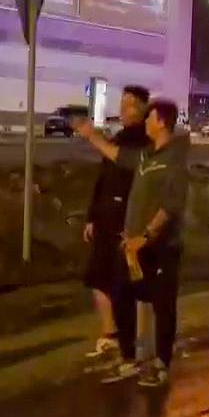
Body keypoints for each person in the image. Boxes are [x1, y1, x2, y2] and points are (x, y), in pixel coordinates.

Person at [75, 99, 189, 389]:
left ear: (161, 121)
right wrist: (91, 136)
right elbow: (117, 155)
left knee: (163, 305)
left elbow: (171, 205)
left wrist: (146, 236)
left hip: (161, 247)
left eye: (149, 117)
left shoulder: (174, 157)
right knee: (121, 291)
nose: (145, 122)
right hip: (133, 248)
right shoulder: (146, 156)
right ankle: (129, 358)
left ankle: (161, 364)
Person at [82, 85, 149, 361]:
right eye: (121, 104)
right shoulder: (119, 137)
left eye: (130, 104)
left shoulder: (143, 142)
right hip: (105, 219)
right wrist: (91, 217)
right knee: (98, 278)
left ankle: (137, 341)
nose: (123, 109)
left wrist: (92, 137)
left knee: (130, 284)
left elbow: (125, 164)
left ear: (145, 109)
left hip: (128, 223)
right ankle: (109, 335)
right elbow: (103, 180)